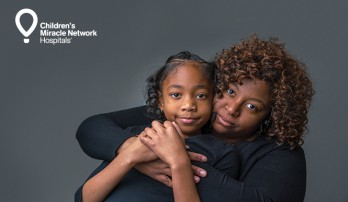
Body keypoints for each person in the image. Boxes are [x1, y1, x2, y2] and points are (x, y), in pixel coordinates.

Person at [76, 35, 314, 201]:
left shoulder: (275, 154)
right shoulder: (177, 120)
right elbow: (93, 128)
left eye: (252, 106)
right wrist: (136, 151)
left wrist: (176, 160)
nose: (231, 109)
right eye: (230, 91)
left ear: (272, 114)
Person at [75, 52, 240, 202]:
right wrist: (130, 156)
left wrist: (178, 162)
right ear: (161, 101)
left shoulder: (221, 154)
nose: (189, 105)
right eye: (176, 95)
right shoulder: (139, 136)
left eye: (201, 96)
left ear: (213, 99)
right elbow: (84, 198)